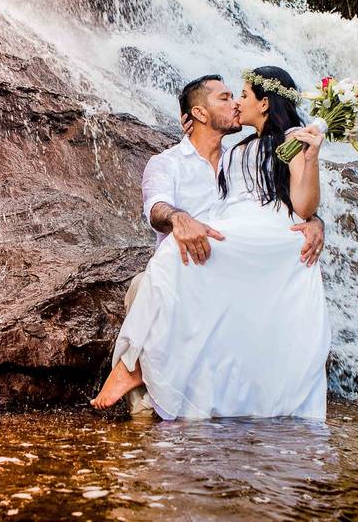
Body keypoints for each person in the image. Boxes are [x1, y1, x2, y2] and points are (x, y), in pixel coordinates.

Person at [91, 67, 331, 419]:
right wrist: (178, 219)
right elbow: (155, 208)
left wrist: (314, 221)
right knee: (157, 275)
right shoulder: (169, 162)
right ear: (200, 114)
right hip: (197, 260)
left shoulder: (249, 150)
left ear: (265, 104)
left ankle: (199, 396)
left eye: (240, 96)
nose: (236, 103)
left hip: (247, 251)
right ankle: (143, 392)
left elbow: (290, 194)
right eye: (226, 97)